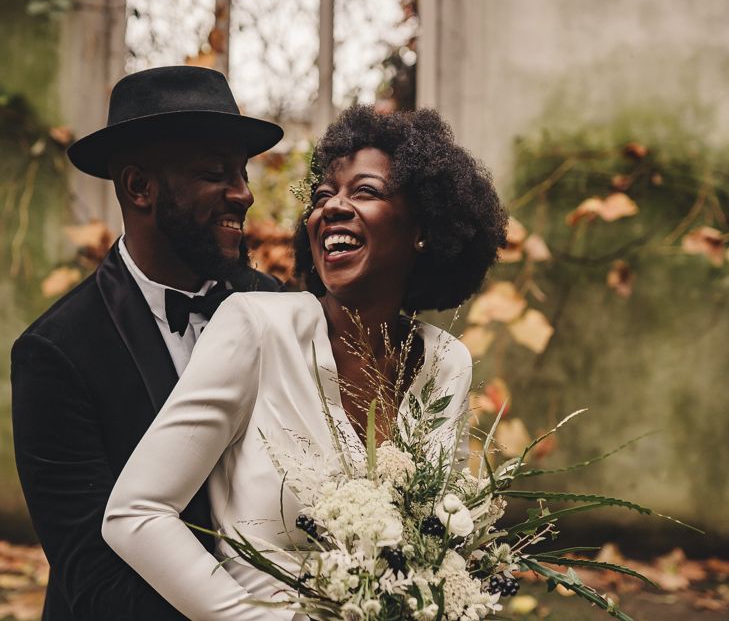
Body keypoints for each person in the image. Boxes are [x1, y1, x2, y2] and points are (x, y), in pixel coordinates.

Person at [102, 105, 509, 620]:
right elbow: (135, 514)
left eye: (365, 191)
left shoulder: (446, 362)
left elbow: (444, 538)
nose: (332, 208)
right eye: (322, 197)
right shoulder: (255, 328)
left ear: (423, 229)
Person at [11, 66, 284, 621]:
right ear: (140, 187)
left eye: (242, 172)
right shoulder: (55, 352)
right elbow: (91, 571)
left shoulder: (276, 305)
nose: (244, 194)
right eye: (216, 173)